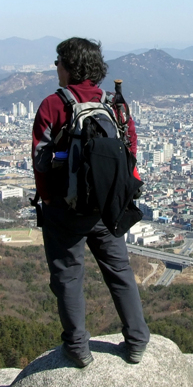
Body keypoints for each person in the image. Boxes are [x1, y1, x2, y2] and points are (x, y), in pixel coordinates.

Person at [31, 37, 150, 368]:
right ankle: (138, 340)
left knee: (68, 275)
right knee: (119, 271)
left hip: (65, 210)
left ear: (69, 67)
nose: (56, 68)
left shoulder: (53, 106)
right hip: (106, 207)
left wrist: (51, 199)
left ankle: (78, 348)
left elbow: (40, 161)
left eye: (58, 62)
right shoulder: (115, 104)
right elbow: (129, 152)